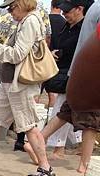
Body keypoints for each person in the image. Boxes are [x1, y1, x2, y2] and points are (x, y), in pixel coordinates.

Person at [0, 0, 53, 176]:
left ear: (21, 4)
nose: (10, 12)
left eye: (12, 8)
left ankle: (45, 167)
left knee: (27, 125)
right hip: (9, 82)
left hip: (20, 84)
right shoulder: (25, 21)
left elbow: (18, 54)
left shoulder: (30, 21)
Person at [25, 0, 98, 174]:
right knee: (92, 121)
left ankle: (37, 140)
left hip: (76, 71)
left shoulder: (93, 11)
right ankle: (84, 165)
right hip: (91, 72)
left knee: (66, 112)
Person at [39, 0, 85, 160]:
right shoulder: (67, 26)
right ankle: (67, 145)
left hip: (76, 74)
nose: (65, 14)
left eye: (68, 11)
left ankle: (53, 145)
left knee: (63, 110)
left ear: (80, 9)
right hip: (64, 72)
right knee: (67, 110)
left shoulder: (85, 29)